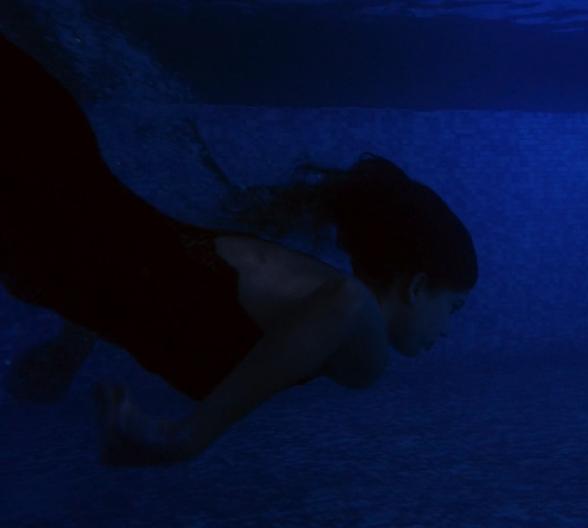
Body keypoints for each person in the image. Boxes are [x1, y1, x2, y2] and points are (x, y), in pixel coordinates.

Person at [0, 35, 477, 466]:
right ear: (416, 287)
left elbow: (126, 260)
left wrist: (67, 353)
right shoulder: (361, 342)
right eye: (453, 306)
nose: (448, 330)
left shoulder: (296, 296)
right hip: (43, 196)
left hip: (48, 196)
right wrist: (188, 437)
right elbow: (347, 302)